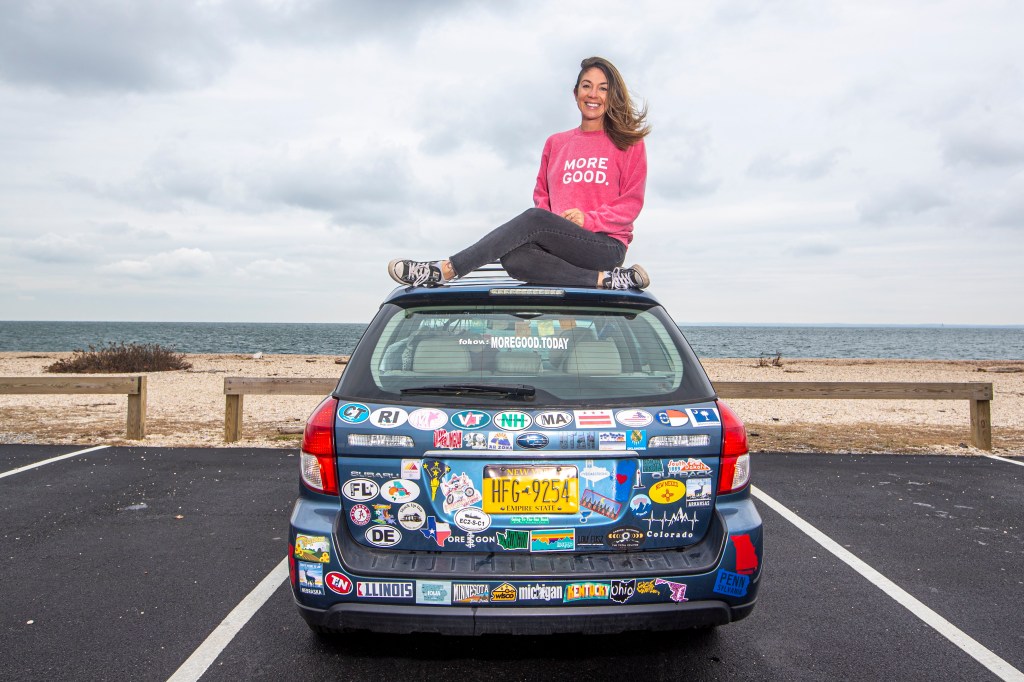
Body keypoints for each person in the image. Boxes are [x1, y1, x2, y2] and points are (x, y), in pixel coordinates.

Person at [388, 56, 652, 290]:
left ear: (612, 95)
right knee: (513, 259)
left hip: (605, 246)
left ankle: (444, 270)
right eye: (587, 86)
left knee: (534, 219)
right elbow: (543, 198)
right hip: (559, 243)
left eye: (603, 89)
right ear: (575, 93)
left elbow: (630, 204)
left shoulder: (628, 144)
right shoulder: (556, 143)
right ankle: (605, 281)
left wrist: (588, 220)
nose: (593, 94)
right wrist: (553, 226)